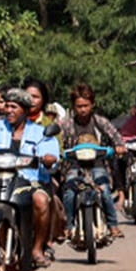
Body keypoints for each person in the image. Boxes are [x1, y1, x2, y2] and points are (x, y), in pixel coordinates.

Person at [0, 88, 60, 267]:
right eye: (7, 106)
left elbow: (52, 155)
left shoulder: (40, 132)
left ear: (25, 110)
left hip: (28, 181)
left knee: (42, 201)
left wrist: (49, 159)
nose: (9, 110)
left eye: (14, 107)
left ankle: (37, 248)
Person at [57, 83, 126, 241]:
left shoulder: (100, 122)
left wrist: (119, 146)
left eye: (85, 105)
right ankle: (68, 226)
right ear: (73, 107)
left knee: (105, 192)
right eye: (79, 106)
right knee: (69, 194)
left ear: (92, 104)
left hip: (98, 165)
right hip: (74, 166)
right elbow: (56, 138)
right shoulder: (66, 123)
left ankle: (113, 225)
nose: (82, 109)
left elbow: (114, 134)